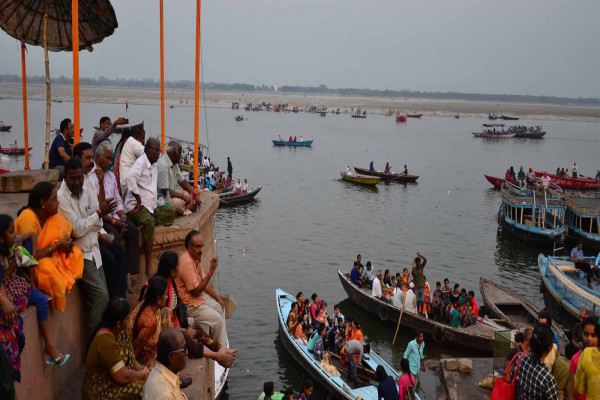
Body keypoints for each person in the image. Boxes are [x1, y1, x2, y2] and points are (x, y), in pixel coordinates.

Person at [141, 252, 236, 368]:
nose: (179, 269)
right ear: (171, 271)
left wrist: (185, 326)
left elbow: (175, 310)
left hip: (173, 323)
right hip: (162, 332)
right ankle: (217, 356)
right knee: (186, 338)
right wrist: (184, 331)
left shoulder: (171, 283)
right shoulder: (159, 289)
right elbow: (161, 324)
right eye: (177, 267)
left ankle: (220, 348)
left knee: (194, 326)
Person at [0, 214, 70, 368]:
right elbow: (2, 276)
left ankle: (49, 346)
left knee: (42, 300)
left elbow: (31, 235)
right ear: (1, 239)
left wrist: (32, 254)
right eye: (11, 232)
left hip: (16, 281)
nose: (15, 235)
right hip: (5, 288)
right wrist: (14, 263)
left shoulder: (14, 241)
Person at [58, 158, 114, 342]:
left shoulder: (86, 190)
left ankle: (101, 341)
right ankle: (92, 345)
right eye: (72, 179)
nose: (77, 182)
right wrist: (97, 215)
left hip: (94, 250)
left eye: (79, 178)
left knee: (104, 299)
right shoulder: (62, 197)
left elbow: (95, 224)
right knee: (101, 296)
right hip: (79, 254)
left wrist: (94, 218)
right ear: (65, 178)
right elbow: (76, 229)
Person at [14, 181, 84, 312]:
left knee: (76, 253)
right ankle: (42, 289)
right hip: (28, 267)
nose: (58, 203)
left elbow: (61, 236)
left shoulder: (50, 216)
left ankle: (64, 279)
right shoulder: (28, 219)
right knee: (47, 268)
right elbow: (26, 256)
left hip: (49, 256)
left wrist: (65, 245)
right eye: (54, 200)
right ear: (43, 203)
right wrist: (57, 246)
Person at [73, 142, 127, 299]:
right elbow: (83, 221)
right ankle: (112, 301)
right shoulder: (78, 182)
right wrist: (100, 234)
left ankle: (120, 299)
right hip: (86, 237)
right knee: (109, 258)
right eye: (88, 158)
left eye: (92, 158)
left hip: (98, 226)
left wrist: (121, 217)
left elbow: (100, 206)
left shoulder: (93, 178)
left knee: (120, 250)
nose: (91, 162)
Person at [88, 141, 140, 294]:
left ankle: (129, 274)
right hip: (103, 219)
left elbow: (117, 200)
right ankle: (120, 277)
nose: (111, 163)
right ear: (98, 157)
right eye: (108, 159)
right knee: (115, 236)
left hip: (114, 216)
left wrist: (122, 216)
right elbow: (98, 209)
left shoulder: (110, 176)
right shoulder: (91, 178)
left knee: (133, 231)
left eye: (111, 159)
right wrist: (115, 222)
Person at [82, 297, 149, 400]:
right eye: (127, 318)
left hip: (115, 381)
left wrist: (144, 371)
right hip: (101, 392)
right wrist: (142, 374)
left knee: (149, 382)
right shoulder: (105, 342)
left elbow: (131, 357)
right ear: (118, 323)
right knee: (143, 389)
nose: (129, 321)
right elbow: (123, 377)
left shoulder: (120, 332)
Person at [175, 231, 227, 345]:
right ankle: (221, 350)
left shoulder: (195, 259)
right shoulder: (186, 262)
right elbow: (195, 291)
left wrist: (218, 298)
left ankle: (221, 344)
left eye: (201, 246)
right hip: (190, 305)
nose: (201, 250)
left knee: (220, 307)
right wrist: (211, 272)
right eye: (197, 247)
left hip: (199, 299)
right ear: (189, 247)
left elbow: (204, 284)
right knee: (217, 320)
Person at [125, 138, 164, 278]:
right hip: (135, 207)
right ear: (147, 149)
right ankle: (148, 264)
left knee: (169, 213)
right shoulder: (141, 162)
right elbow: (130, 178)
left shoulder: (154, 165)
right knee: (149, 221)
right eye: (156, 150)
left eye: (159, 150)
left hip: (151, 207)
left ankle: (143, 220)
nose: (158, 153)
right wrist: (138, 199)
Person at [509, 324, 558, 400]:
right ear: (549, 348)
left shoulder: (519, 358)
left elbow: (511, 381)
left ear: (530, 343)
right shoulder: (548, 379)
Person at [157, 141, 202, 216]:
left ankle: (184, 208)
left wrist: (195, 194)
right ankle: (186, 209)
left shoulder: (174, 163)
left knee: (187, 192)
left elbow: (183, 181)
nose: (181, 157)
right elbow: (166, 192)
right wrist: (183, 197)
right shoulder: (163, 165)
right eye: (180, 155)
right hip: (162, 198)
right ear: (174, 155)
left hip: (171, 194)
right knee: (177, 202)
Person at [142, 328, 188, 400]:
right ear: (172, 357)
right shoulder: (165, 395)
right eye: (184, 349)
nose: (187, 353)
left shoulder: (162, 372)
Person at [568, 316, 598, 400]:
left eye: (593, 335)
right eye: (586, 334)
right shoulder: (576, 359)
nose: (589, 339)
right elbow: (572, 394)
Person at [118, 123, 146, 194]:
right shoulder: (132, 142)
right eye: (142, 138)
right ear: (136, 136)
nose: (143, 141)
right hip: (129, 184)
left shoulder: (129, 142)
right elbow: (149, 154)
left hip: (127, 183)